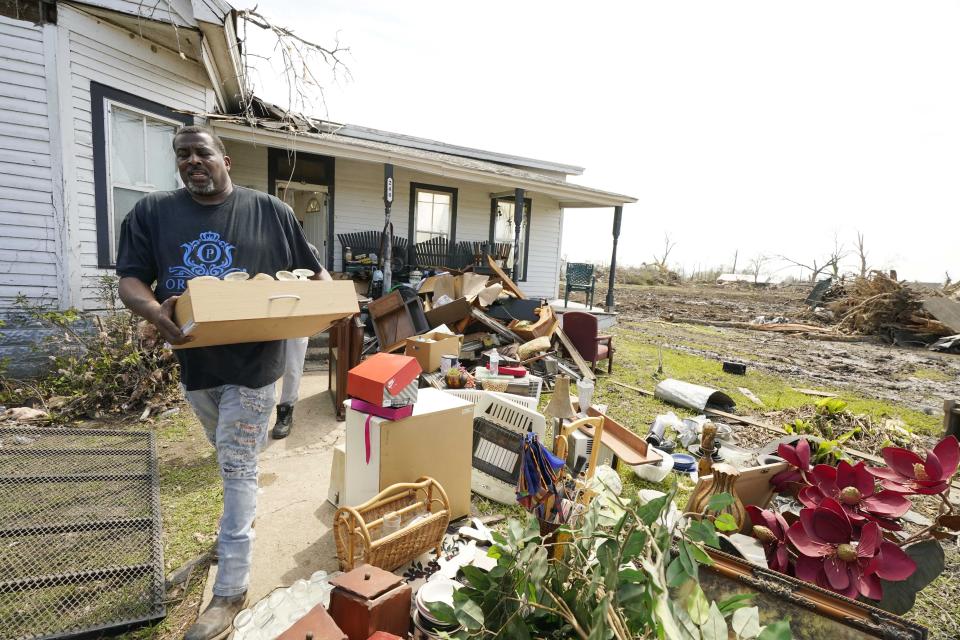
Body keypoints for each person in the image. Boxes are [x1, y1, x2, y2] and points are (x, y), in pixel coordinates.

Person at [115, 125, 327, 640]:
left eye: (201, 153)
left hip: (256, 365)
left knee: (237, 465)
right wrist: (152, 311)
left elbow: (315, 277)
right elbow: (130, 279)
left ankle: (230, 588)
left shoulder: (269, 212)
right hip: (197, 366)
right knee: (231, 459)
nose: (192, 161)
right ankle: (238, 529)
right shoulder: (152, 214)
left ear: (225, 159)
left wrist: (322, 307)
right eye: (182, 154)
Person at [272, 243, 321, 439]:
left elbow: (319, 285)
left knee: (292, 368)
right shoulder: (271, 249)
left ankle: (286, 411)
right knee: (264, 367)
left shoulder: (310, 251)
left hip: (298, 321)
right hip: (270, 318)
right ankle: (257, 415)